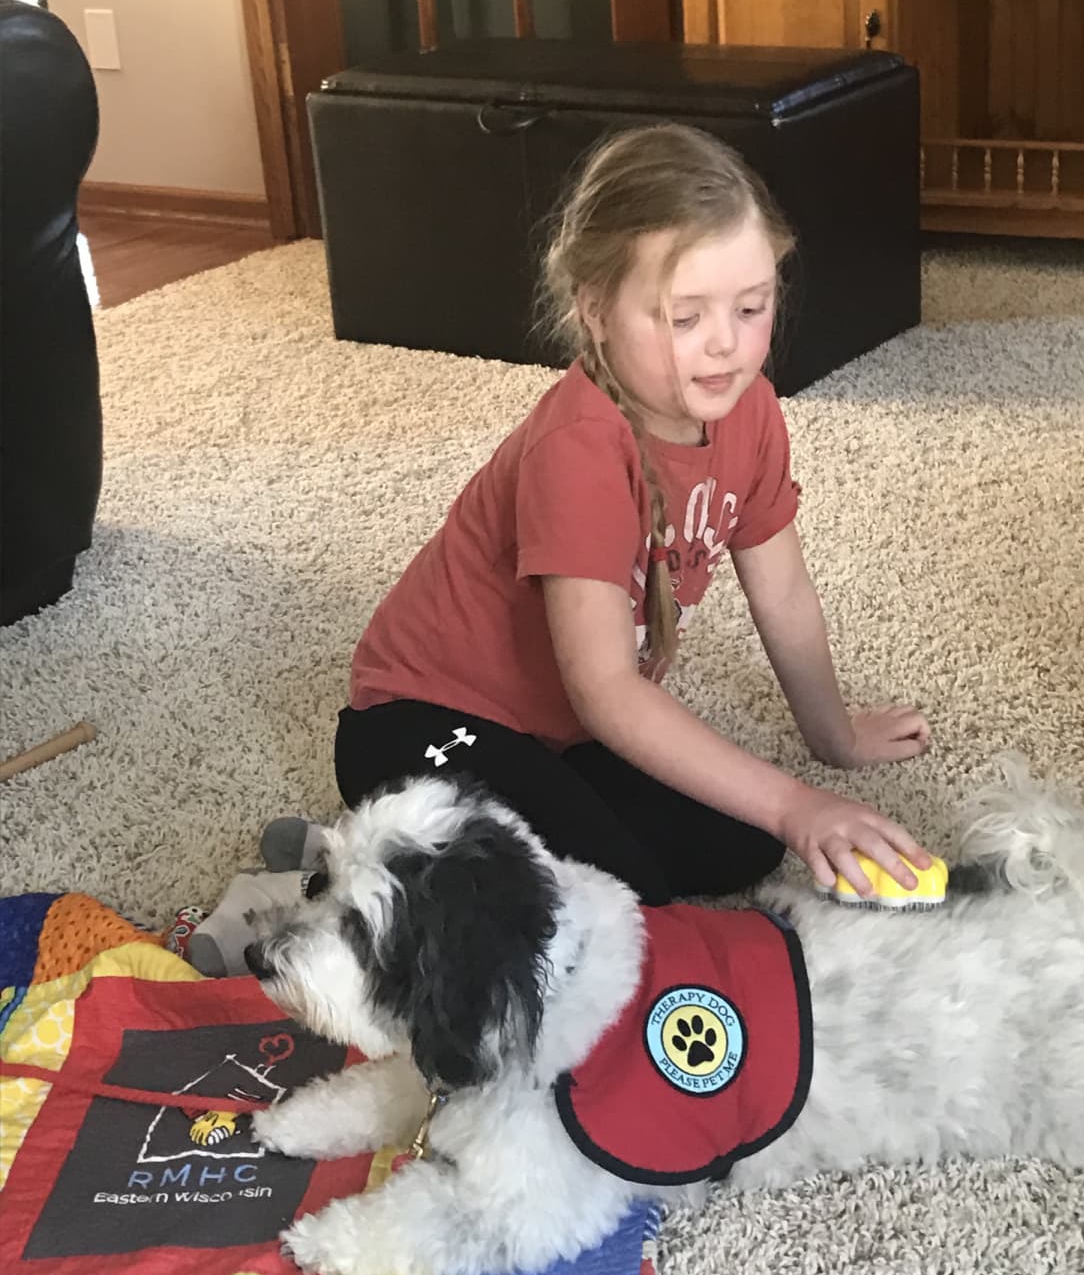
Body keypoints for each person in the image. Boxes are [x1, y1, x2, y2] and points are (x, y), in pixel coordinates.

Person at [271, 123, 932, 905]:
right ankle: (333, 884)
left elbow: (783, 594)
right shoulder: (580, 447)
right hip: (422, 721)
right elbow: (607, 690)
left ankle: (418, 851)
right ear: (595, 310)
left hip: (554, 735)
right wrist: (798, 806)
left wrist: (835, 738)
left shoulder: (752, 413)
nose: (727, 346)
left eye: (752, 307)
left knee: (742, 846)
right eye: (684, 319)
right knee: (619, 896)